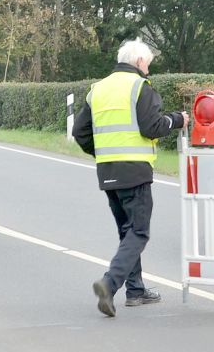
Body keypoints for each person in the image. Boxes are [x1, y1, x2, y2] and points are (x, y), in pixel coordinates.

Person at [73, 38, 188, 317]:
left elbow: (80, 133)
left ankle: (136, 291)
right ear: (138, 62)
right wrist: (177, 119)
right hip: (135, 171)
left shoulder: (97, 89)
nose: (148, 69)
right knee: (138, 232)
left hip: (108, 170)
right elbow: (152, 126)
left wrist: (102, 153)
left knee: (127, 231)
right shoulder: (139, 86)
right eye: (147, 64)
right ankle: (109, 284)